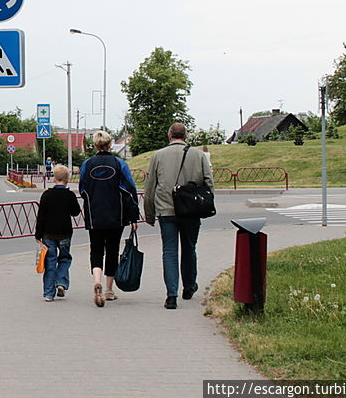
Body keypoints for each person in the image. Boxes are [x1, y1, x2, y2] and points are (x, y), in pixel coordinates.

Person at [144, 123, 214, 310]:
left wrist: (149, 214)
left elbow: (149, 187)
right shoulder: (199, 155)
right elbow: (209, 182)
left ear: (169, 136)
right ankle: (189, 286)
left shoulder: (158, 156)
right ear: (185, 136)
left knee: (169, 251)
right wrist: (204, 204)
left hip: (166, 210)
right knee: (190, 248)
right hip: (191, 211)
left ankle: (171, 296)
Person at [79, 130, 140, 307]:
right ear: (110, 144)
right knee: (112, 250)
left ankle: (96, 280)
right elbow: (130, 190)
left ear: (95, 145)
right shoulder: (119, 164)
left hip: (94, 214)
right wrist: (133, 216)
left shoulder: (87, 165)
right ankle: (108, 289)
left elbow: (83, 189)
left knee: (96, 249)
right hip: (116, 214)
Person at [34, 164, 82, 301]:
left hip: (48, 234)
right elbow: (76, 212)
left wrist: (38, 235)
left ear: (54, 179)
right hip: (65, 233)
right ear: (67, 179)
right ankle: (61, 282)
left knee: (50, 262)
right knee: (65, 258)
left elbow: (41, 216)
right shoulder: (70, 195)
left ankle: (49, 293)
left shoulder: (47, 195)